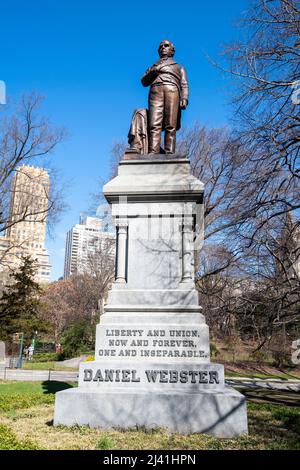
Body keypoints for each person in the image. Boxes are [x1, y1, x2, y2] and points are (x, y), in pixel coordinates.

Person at [141, 40, 189, 154]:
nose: (163, 47)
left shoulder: (178, 66)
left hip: (172, 91)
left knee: (170, 124)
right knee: (154, 124)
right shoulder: (153, 66)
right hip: (155, 92)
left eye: (166, 45)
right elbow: (143, 82)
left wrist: (184, 98)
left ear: (172, 50)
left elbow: (184, 83)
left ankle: (169, 153)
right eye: (161, 46)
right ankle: (153, 152)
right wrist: (153, 72)